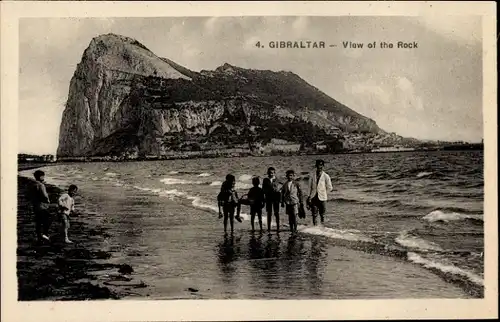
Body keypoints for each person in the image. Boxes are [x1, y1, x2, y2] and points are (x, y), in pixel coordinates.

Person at [306, 159, 333, 226]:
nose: (319, 167)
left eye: (321, 165)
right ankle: (315, 228)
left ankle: (322, 228)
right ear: (316, 166)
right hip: (313, 197)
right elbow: (309, 187)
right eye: (318, 165)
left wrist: (324, 193)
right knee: (314, 214)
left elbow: (330, 187)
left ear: (323, 166)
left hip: (322, 198)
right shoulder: (312, 175)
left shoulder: (326, 176)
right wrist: (308, 197)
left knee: (322, 214)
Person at [30, 170, 52, 242]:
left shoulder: (33, 184)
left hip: (35, 205)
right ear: (40, 176)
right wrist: (47, 201)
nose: (44, 177)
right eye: (43, 176)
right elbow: (45, 195)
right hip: (42, 205)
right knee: (48, 220)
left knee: (38, 221)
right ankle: (44, 234)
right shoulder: (41, 185)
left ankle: (39, 236)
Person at [262, 167, 282, 232]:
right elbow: (263, 189)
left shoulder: (277, 179)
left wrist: (280, 193)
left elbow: (282, 187)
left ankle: (278, 227)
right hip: (268, 198)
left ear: (274, 173)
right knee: (269, 213)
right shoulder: (265, 180)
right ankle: (269, 228)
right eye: (270, 173)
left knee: (276, 213)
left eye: (272, 173)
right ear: (268, 173)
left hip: (276, 198)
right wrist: (265, 194)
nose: (271, 174)